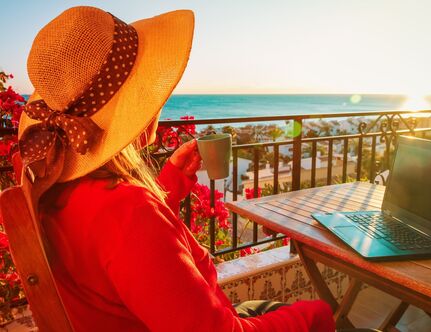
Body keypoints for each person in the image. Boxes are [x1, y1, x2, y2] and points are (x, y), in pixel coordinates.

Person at [17, 6, 335, 332]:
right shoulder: (127, 212)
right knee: (311, 313)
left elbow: (122, 257)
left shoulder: (61, 191)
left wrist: (170, 181)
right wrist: (314, 315)